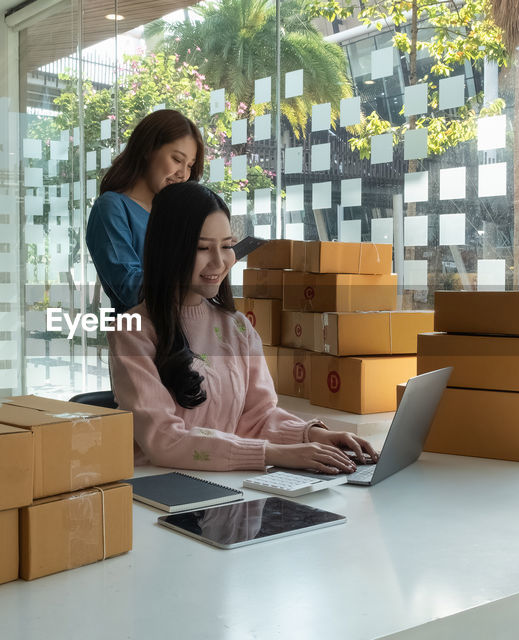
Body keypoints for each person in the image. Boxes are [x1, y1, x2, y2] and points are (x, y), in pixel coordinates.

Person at [108, 182, 380, 473]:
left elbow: (257, 416)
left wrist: (315, 435)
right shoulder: (133, 332)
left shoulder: (237, 327)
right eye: (202, 248)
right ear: (168, 250)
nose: (219, 260)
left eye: (226, 246)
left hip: (227, 483)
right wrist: (275, 453)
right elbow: (163, 440)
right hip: (158, 490)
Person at [86, 109, 205, 313]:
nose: (183, 174)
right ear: (148, 149)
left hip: (189, 329)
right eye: (177, 160)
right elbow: (129, 288)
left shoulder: (174, 213)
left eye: (190, 166)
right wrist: (190, 272)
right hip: (141, 338)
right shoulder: (111, 208)